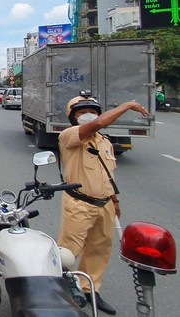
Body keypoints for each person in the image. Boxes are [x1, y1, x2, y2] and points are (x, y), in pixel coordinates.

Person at [57, 93, 149, 315]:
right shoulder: (70, 136)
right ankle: (57, 291)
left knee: (99, 251)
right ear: (73, 117)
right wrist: (127, 105)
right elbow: (98, 123)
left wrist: (115, 201)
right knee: (67, 253)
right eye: (82, 112)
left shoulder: (104, 141)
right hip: (79, 203)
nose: (89, 116)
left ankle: (90, 289)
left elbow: (107, 174)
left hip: (104, 204)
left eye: (93, 112)